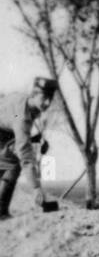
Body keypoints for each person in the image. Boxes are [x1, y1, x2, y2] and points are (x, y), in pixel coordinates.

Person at [0, 77, 58, 219]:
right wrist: (36, 188)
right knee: (14, 163)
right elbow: (25, 155)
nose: (47, 103)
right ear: (34, 94)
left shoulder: (26, 102)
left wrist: (35, 139)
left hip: (3, 132)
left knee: (9, 160)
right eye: (44, 98)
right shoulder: (22, 117)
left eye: (50, 99)